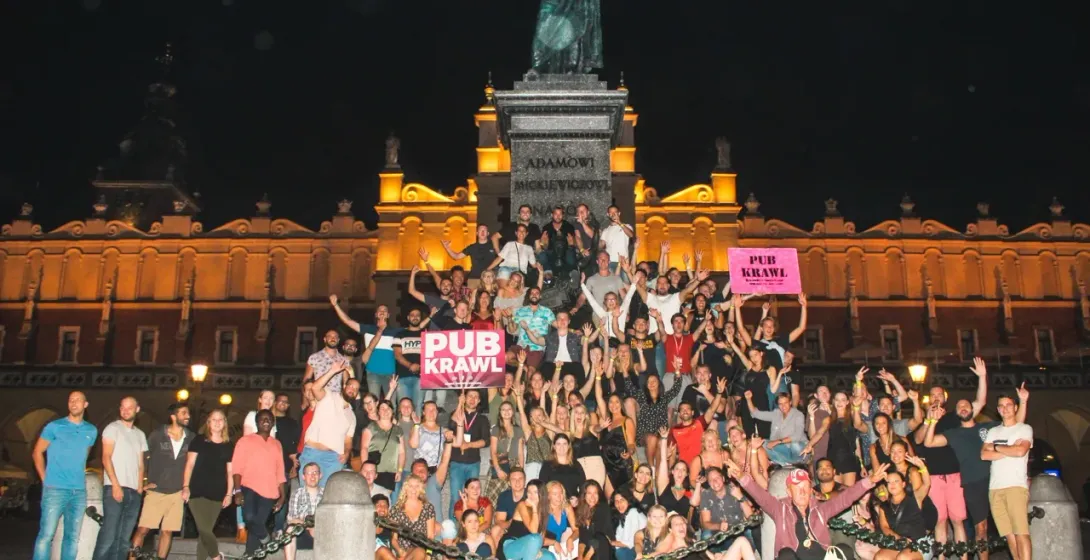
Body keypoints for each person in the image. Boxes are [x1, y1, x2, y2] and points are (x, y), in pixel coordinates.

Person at [925, 381, 1029, 560]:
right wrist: (932, 422)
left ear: (973, 410)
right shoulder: (954, 433)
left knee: (1011, 529)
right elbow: (929, 442)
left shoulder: (988, 428)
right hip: (972, 483)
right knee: (981, 528)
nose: (963, 408)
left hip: (996, 481)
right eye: (959, 407)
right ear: (956, 413)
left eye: (966, 405)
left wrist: (1023, 401)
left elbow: (1016, 422)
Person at [734, 460, 889, 560]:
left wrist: (870, 481)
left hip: (820, 557)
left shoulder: (821, 510)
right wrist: (741, 477)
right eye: (797, 488)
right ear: (789, 491)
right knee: (785, 555)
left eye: (805, 488)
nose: (802, 492)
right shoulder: (779, 509)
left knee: (844, 550)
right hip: (793, 557)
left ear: (810, 490)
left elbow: (845, 498)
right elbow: (761, 496)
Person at [912, 358, 987, 550]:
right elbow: (920, 440)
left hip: (955, 476)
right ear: (929, 399)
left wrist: (982, 377)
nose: (936, 397)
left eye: (940, 394)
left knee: (958, 520)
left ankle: (962, 556)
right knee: (939, 521)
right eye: (933, 395)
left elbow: (979, 403)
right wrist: (929, 421)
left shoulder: (956, 417)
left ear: (945, 398)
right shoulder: (926, 419)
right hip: (934, 477)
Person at [32, 391, 97, 560]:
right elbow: (37, 452)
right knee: (46, 536)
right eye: (71, 400)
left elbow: (84, 456)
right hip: (55, 489)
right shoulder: (54, 427)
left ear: (85, 405)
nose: (74, 403)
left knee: (72, 538)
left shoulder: (91, 430)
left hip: (78, 491)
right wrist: (44, 479)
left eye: (78, 400)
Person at [132, 402, 194, 559]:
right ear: (173, 416)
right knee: (143, 530)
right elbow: (143, 457)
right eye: (184, 413)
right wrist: (144, 481)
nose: (188, 416)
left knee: (167, 532)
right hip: (156, 492)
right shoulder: (157, 435)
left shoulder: (191, 438)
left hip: (177, 493)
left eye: (188, 413)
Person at [92, 396, 148, 560]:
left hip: (133, 492)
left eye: (130, 407)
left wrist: (139, 488)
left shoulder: (140, 434)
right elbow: (106, 457)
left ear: (137, 410)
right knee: (108, 536)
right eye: (123, 407)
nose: (125, 410)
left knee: (123, 540)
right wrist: (115, 485)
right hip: (115, 488)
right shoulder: (112, 428)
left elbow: (140, 464)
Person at [982, 393, 1034, 560]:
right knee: (1009, 535)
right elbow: (983, 455)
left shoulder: (1024, 429)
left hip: (1015, 486)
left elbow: (1020, 451)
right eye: (1001, 406)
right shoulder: (993, 431)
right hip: (995, 488)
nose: (1005, 408)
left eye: (1009, 405)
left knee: (1021, 532)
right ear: (998, 410)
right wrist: (1009, 448)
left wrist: (995, 447)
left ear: (1016, 407)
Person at [232, 410, 287, 555]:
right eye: (262, 419)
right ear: (257, 422)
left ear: (273, 423)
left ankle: (249, 554)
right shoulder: (245, 440)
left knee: (258, 523)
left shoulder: (276, 444)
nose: (266, 421)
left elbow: (280, 471)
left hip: (269, 492)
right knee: (249, 518)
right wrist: (237, 491)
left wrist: (282, 497)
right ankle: (266, 539)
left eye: (269, 419)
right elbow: (237, 467)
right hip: (248, 486)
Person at [301, 342, 356, 487]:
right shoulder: (329, 396)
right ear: (344, 386)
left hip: (333, 458)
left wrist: (347, 452)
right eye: (350, 386)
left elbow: (348, 440)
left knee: (327, 499)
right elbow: (315, 387)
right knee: (306, 497)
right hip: (313, 452)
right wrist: (332, 371)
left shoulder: (352, 415)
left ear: (356, 394)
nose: (351, 389)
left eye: (355, 389)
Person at [182, 409, 234, 560]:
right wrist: (185, 486)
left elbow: (230, 472)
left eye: (221, 419)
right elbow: (189, 464)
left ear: (224, 423)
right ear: (209, 423)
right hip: (196, 491)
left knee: (204, 534)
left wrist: (229, 493)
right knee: (204, 529)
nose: (217, 422)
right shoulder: (199, 440)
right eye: (214, 419)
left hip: (218, 493)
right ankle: (216, 556)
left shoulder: (229, 445)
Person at [330, 296, 399, 401]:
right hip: (372, 372)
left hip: (390, 373)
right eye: (379, 310)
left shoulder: (395, 331)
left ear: (388, 315)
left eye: (385, 310)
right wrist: (335, 305)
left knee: (391, 404)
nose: (382, 312)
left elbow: (415, 331)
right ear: (376, 314)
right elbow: (348, 321)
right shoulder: (367, 329)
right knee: (372, 402)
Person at [873, 463, 931, 560]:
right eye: (889, 482)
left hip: (919, 544)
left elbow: (927, 484)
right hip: (898, 543)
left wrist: (922, 466)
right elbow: (885, 527)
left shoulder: (915, 498)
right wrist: (899, 539)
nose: (892, 484)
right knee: (879, 557)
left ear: (903, 484)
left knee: (903, 558)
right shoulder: (884, 506)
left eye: (896, 481)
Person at [448, 391, 491, 518]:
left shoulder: (482, 419)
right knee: (456, 496)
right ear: (465, 398)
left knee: (472, 497)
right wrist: (459, 405)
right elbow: (451, 425)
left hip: (473, 463)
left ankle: (469, 526)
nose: (472, 399)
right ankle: (454, 528)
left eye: (476, 397)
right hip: (456, 462)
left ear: (479, 401)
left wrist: (469, 445)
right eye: (470, 396)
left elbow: (486, 441)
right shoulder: (456, 414)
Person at [388, 475, 437, 560]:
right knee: (419, 552)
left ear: (421, 488)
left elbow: (430, 537)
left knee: (420, 551)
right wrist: (399, 551)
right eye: (410, 486)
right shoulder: (396, 510)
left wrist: (428, 555)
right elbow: (394, 539)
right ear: (405, 488)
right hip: (404, 551)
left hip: (424, 551)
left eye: (417, 486)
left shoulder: (428, 508)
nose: (414, 489)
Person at [502, 480, 553, 560]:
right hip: (512, 545)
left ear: (542, 494)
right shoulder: (522, 505)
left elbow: (541, 538)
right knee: (535, 538)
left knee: (549, 557)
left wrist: (537, 549)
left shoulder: (543, 511)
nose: (532, 496)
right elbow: (534, 531)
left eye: (535, 492)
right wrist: (534, 507)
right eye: (529, 492)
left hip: (531, 547)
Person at [273, 392, 302, 533]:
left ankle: (278, 528)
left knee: (282, 497)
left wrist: (295, 466)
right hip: (267, 466)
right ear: (275, 402)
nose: (283, 404)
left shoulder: (292, 423)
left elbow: (295, 446)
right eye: (281, 401)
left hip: (285, 466)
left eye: (286, 402)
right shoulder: (267, 420)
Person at [283, 462, 323, 560]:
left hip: (322, 535)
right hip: (303, 533)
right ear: (303, 476)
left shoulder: (326, 493)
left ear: (320, 475)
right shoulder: (297, 494)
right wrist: (309, 526)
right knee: (290, 529)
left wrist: (317, 528)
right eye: (309, 473)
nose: (312, 476)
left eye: (315, 472)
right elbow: (292, 519)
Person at [361, 400, 403, 490]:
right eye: (382, 408)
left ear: (392, 411)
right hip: (373, 471)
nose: (385, 411)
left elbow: (402, 452)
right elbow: (364, 448)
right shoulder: (371, 427)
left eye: (388, 408)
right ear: (378, 411)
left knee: (385, 500)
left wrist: (399, 470)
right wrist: (365, 469)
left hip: (391, 471)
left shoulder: (398, 430)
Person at [538, 434, 586, 502]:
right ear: (554, 446)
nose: (562, 447)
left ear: (569, 446)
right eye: (558, 444)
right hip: (553, 505)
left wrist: (578, 500)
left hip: (572, 505)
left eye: (564, 444)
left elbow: (583, 487)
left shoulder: (576, 465)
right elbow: (542, 487)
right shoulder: (547, 465)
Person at [575, 480, 613, 560]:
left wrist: (587, 557)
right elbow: (582, 539)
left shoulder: (603, 508)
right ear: (584, 495)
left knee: (600, 537)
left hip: (603, 549)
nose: (593, 497)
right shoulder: (581, 512)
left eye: (595, 493)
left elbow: (599, 537)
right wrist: (580, 556)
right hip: (590, 550)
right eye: (589, 493)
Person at [543, 480, 579, 560]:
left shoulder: (567, 507)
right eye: (555, 494)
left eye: (561, 493)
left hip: (560, 545)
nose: (559, 497)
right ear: (548, 495)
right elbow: (538, 539)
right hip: (546, 546)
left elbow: (576, 529)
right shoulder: (543, 511)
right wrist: (554, 543)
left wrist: (571, 539)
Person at [610, 491, 647, 560]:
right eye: (616, 501)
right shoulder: (621, 519)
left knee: (621, 552)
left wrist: (611, 543)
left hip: (644, 548)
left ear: (629, 501)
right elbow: (619, 542)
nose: (619, 504)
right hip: (633, 550)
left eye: (622, 500)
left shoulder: (633, 512)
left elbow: (631, 542)